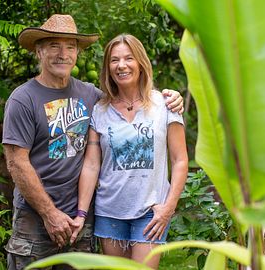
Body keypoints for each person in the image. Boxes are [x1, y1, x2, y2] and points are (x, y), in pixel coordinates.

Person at [2, 15, 184, 270]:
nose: (62, 54)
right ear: (39, 51)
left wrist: (172, 97)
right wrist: (49, 214)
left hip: (79, 221)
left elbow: (127, 99)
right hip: (36, 217)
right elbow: (16, 163)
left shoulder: (91, 97)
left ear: (77, 53)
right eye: (54, 46)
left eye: (70, 47)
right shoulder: (23, 99)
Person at [70, 34, 188, 269]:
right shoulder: (100, 110)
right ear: (108, 67)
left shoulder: (165, 104)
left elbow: (180, 160)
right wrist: (82, 213)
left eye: (128, 58)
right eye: (114, 60)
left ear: (141, 63)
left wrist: (168, 208)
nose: (121, 65)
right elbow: (92, 165)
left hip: (150, 211)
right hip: (110, 211)